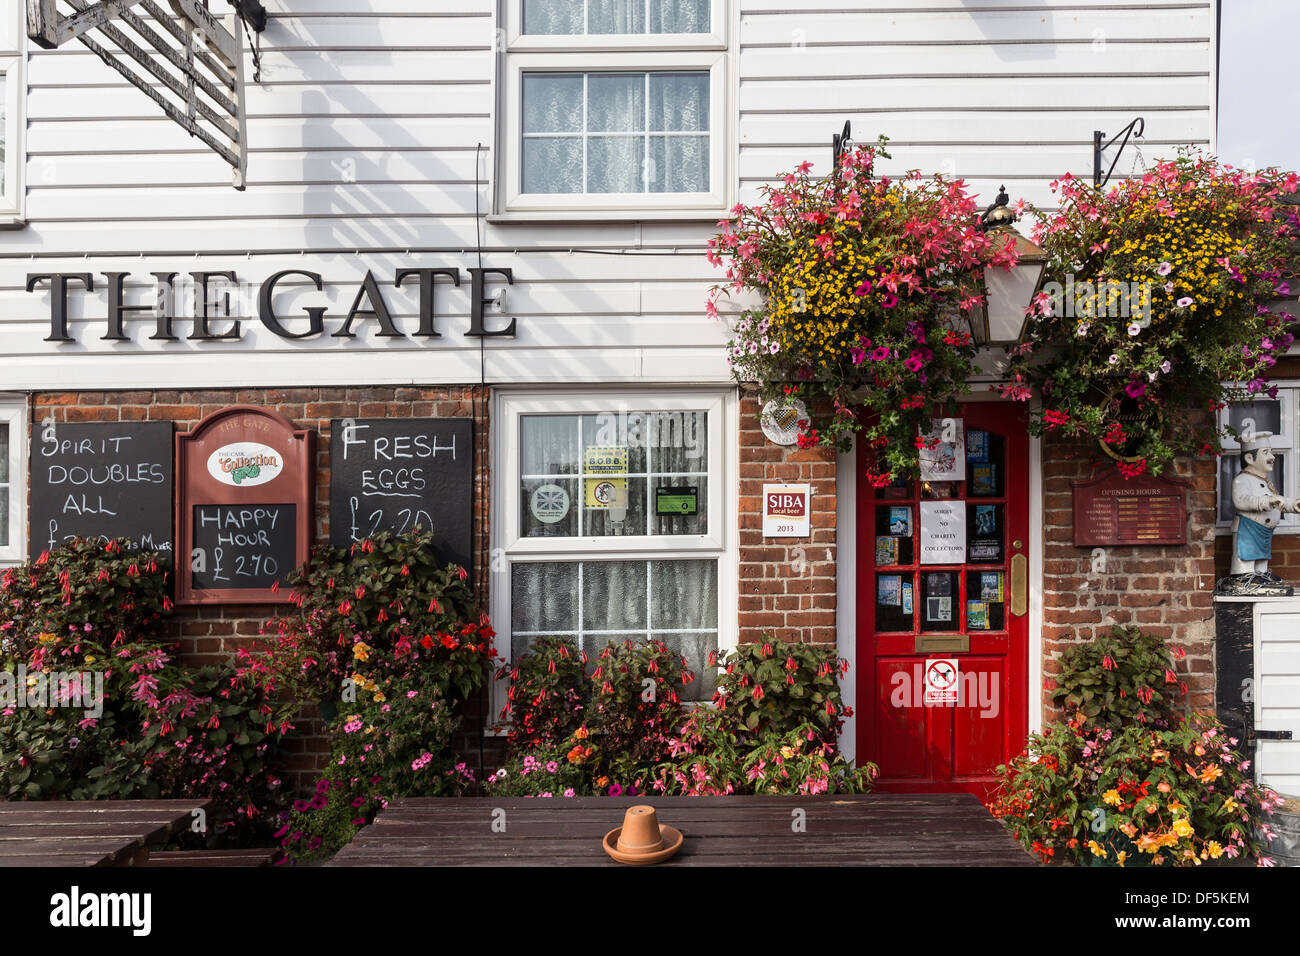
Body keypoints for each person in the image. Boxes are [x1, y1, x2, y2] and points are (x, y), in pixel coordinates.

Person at [1230, 432, 1300, 580]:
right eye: (1266, 453)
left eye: (1271, 452)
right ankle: (1243, 579)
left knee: (1261, 560)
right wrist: (1266, 502)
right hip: (1247, 528)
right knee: (1246, 559)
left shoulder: (1267, 483)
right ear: (1249, 458)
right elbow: (1241, 501)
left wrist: (1293, 505)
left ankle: (1261, 578)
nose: (1272, 457)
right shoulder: (1242, 480)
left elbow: (1278, 501)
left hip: (1263, 531)